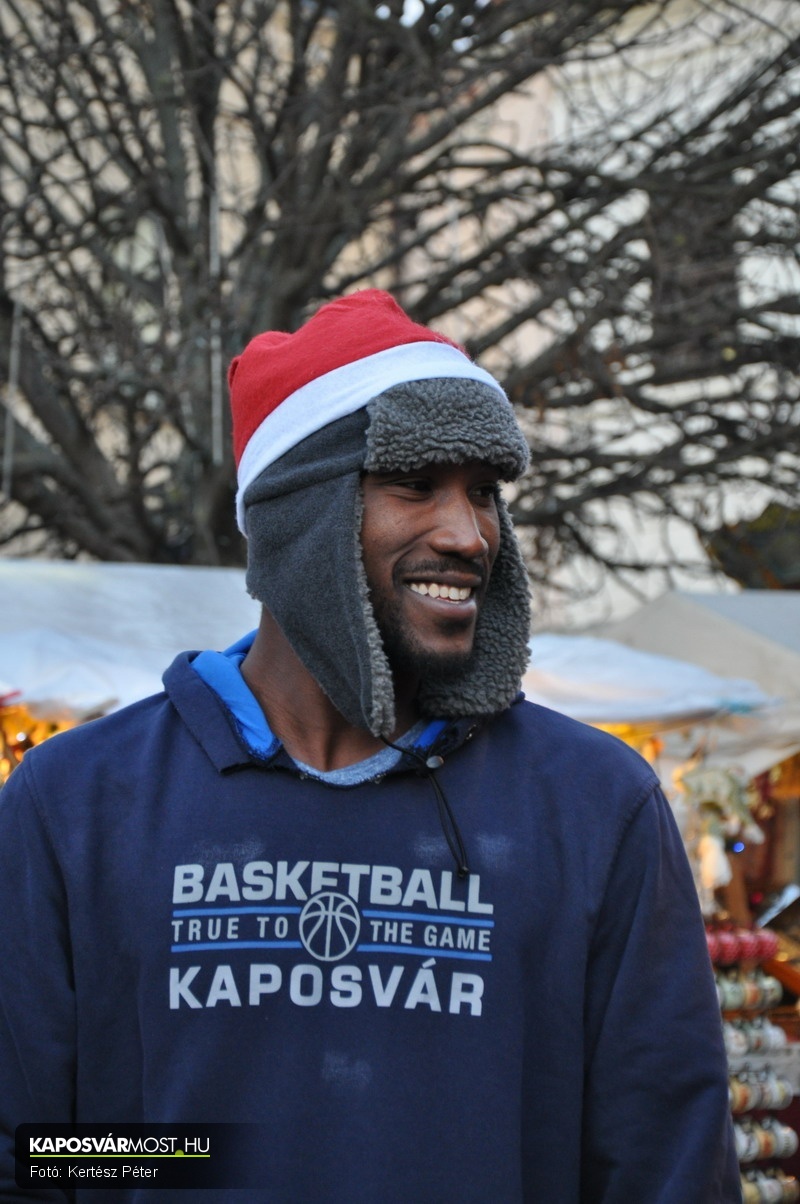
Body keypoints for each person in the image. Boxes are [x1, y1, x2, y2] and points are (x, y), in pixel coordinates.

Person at [0, 290, 739, 1202]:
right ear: (300, 516)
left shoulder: (594, 804)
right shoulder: (77, 802)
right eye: (415, 484)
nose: (468, 534)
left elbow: (667, 1167)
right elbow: (33, 1155)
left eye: (484, 492)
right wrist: (202, 1161)